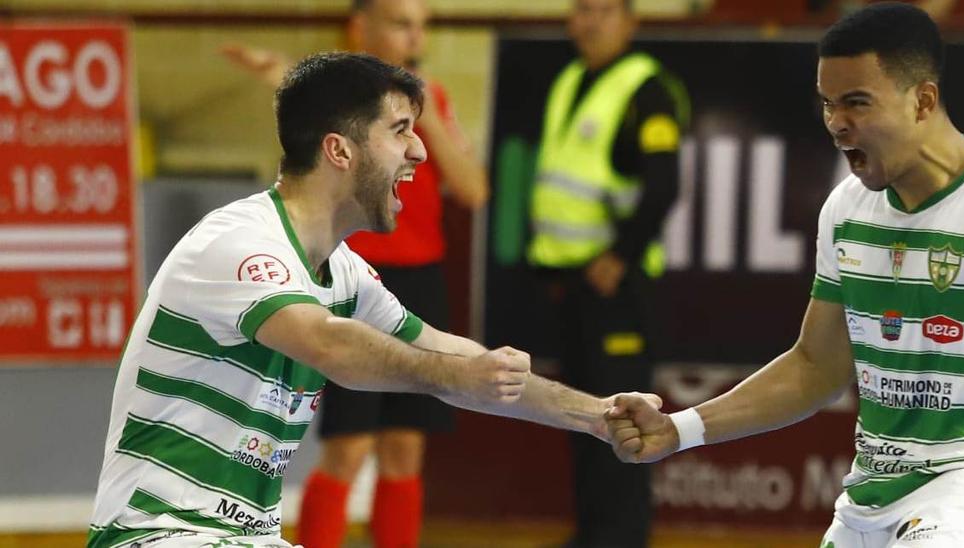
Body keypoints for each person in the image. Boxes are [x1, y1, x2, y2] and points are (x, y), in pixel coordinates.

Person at [88, 52, 657, 548]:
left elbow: (464, 360)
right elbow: (332, 346)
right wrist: (457, 378)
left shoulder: (346, 276)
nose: (419, 153)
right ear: (340, 150)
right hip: (157, 533)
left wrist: (599, 416)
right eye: (401, 130)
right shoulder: (239, 244)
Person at [605, 4, 964, 547]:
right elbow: (814, 367)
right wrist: (679, 429)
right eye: (829, 104)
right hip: (868, 501)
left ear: (923, 100)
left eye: (857, 103)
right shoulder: (847, 209)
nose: (836, 123)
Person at [222, 1, 487, 546]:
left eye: (421, 27)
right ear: (361, 25)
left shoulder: (430, 103)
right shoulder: (339, 101)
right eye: (400, 23)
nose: (414, 38)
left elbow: (474, 189)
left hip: (420, 278)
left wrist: (427, 117)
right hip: (355, 277)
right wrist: (278, 75)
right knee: (348, 445)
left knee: (405, 446)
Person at [523, 0, 687, 545]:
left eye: (604, 10)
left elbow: (664, 185)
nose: (589, 21)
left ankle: (620, 538)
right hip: (570, 282)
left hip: (616, 284)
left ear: (630, 22)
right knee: (583, 418)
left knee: (623, 418)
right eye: (582, 9)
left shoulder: (647, 89)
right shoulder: (570, 78)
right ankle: (592, 534)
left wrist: (620, 256)